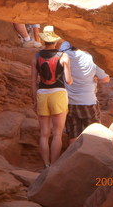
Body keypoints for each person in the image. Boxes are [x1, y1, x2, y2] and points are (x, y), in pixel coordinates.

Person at [31, 26, 73, 168]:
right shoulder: (63, 56)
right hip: (58, 94)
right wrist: (67, 67)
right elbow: (68, 81)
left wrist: (34, 100)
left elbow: (32, 81)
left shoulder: (36, 56)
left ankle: (46, 164)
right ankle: (54, 166)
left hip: (42, 94)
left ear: (44, 40)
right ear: (56, 40)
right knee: (57, 134)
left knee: (44, 134)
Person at [59, 41, 110, 144]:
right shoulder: (92, 58)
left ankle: (74, 157)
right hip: (89, 101)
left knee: (73, 135)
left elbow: (64, 42)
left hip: (70, 102)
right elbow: (106, 79)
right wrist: (95, 76)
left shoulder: (64, 54)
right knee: (94, 134)